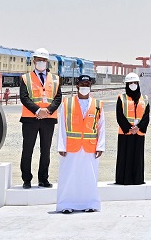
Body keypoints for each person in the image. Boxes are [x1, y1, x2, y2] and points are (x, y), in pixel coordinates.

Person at [56, 75, 105, 214]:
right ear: (77, 86)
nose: (85, 86)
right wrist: (61, 145)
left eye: (87, 84)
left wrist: (100, 146)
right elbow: (62, 126)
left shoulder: (97, 104)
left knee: (89, 176)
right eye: (82, 84)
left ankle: (90, 203)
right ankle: (65, 204)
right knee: (68, 176)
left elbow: (101, 127)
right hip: (71, 147)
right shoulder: (67, 103)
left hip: (90, 147)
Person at [19, 47, 62, 189]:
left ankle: (43, 179)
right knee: (28, 150)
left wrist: (47, 111)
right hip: (30, 119)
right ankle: (26, 179)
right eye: (38, 60)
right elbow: (24, 97)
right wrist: (38, 110)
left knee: (46, 150)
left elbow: (58, 98)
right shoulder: (26, 78)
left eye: (44, 60)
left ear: (47, 62)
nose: (41, 62)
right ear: (33, 61)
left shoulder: (56, 79)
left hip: (48, 120)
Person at [115, 72, 150, 185]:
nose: (133, 85)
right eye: (130, 83)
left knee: (138, 157)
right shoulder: (121, 98)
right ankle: (123, 180)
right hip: (125, 133)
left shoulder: (145, 98)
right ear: (126, 84)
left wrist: (138, 128)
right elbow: (119, 115)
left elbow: (146, 116)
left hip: (139, 133)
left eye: (135, 82)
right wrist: (129, 128)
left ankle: (137, 180)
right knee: (124, 157)